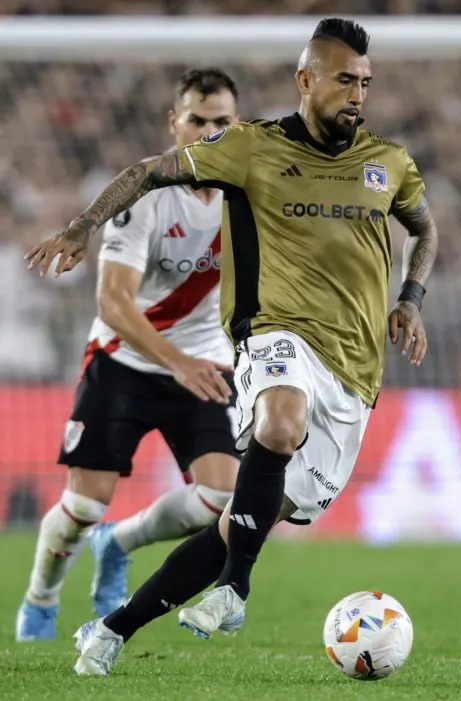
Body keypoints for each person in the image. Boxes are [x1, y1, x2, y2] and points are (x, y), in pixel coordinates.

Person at [27, 17, 437, 676]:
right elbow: (148, 171)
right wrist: (82, 227)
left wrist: (411, 299)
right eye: (343, 79)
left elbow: (424, 228)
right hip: (272, 333)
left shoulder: (388, 162)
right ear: (306, 80)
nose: (357, 93)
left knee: (240, 522)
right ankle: (236, 587)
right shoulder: (250, 147)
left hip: (353, 371)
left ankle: (113, 626)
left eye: (365, 82)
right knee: (278, 419)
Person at [15, 68, 242, 642]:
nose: (210, 131)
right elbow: (114, 303)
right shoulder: (144, 199)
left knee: (223, 497)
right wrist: (179, 361)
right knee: (84, 505)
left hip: (203, 363)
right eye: (197, 119)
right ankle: (41, 597)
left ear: (236, 125)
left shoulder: (248, 195)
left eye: (221, 121)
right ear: (175, 122)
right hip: (124, 362)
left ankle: (119, 544)